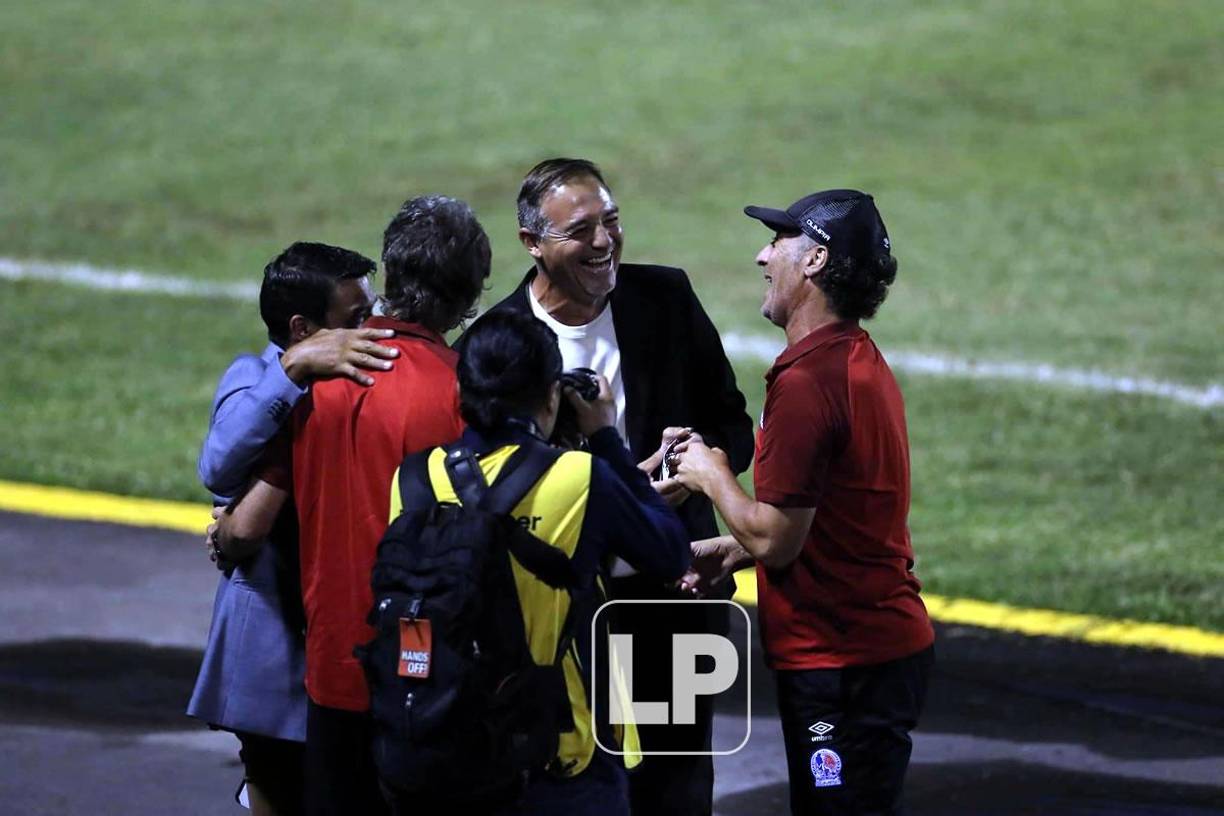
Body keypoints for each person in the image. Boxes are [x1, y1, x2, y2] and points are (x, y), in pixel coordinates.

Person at [459, 158, 754, 815]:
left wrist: (695, 468)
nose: (604, 242)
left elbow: (733, 421)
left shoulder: (666, 299)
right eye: (582, 229)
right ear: (532, 243)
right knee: (580, 784)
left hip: (671, 602)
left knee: (677, 782)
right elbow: (488, 475)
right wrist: (616, 488)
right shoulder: (499, 340)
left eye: (612, 222)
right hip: (564, 618)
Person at [213, 194, 490, 815]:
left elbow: (243, 504)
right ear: (469, 294)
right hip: (423, 668)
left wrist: (227, 530)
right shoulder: (461, 392)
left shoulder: (313, 384)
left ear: (391, 277)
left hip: (329, 663)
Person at [673, 190, 936, 815]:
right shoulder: (851, 359)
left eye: (778, 242)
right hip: (867, 652)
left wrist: (711, 475)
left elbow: (778, 538)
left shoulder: (810, 384)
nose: (763, 255)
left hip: (843, 662)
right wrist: (732, 551)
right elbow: (832, 515)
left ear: (815, 260)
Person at [382, 309, 691, 816]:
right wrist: (606, 438)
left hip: (442, 737)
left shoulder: (412, 480)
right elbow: (669, 552)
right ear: (551, 396)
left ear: (461, 395)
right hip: (557, 753)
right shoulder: (577, 475)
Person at [189, 241, 398, 815]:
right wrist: (293, 370)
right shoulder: (254, 377)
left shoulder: (373, 380)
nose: (373, 327)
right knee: (279, 786)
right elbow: (217, 465)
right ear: (304, 329)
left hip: (348, 630)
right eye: (355, 319)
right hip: (275, 643)